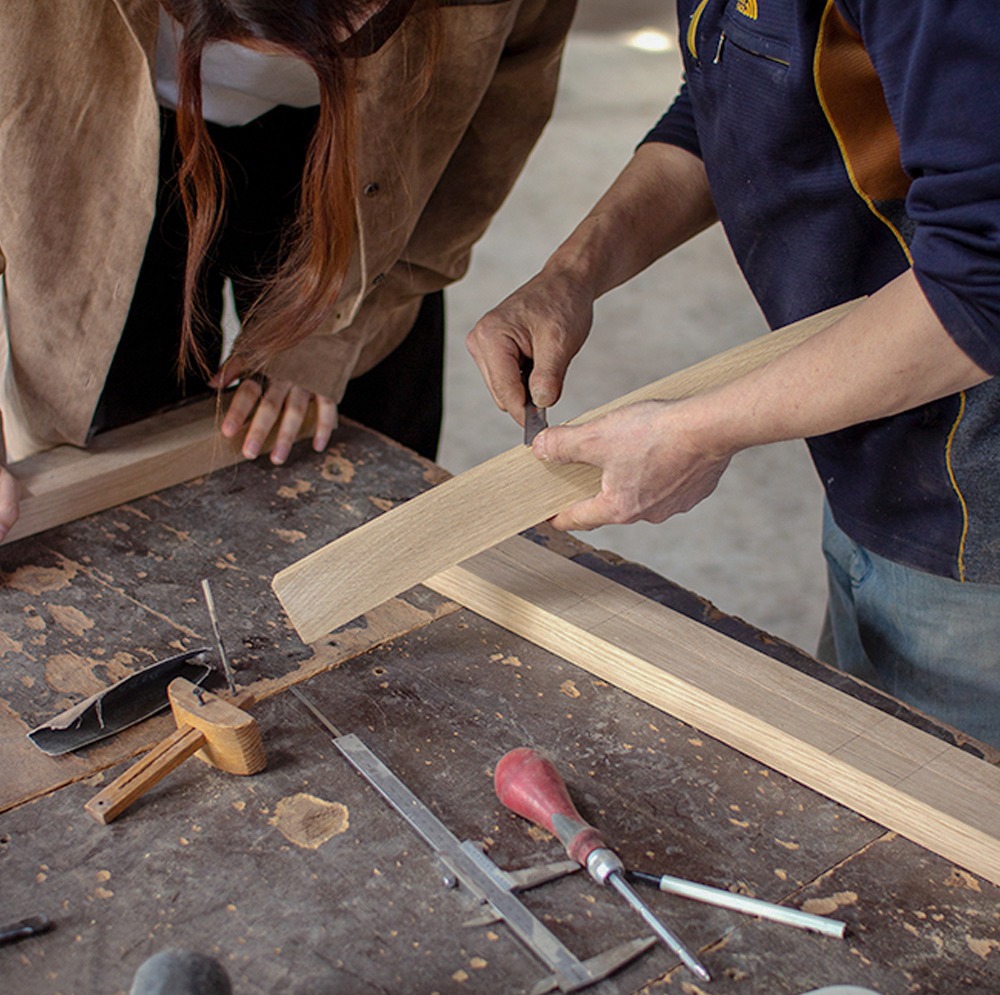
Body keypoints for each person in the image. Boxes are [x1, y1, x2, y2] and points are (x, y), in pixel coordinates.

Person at [466, 0, 1000, 747]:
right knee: (866, 736)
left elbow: (983, 279)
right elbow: (733, 102)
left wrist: (696, 431)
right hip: (875, 428)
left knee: (945, 817)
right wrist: (572, 275)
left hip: (977, 478)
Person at [0, 0, 576, 534]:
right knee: (112, 472)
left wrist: (339, 331)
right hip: (92, 130)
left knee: (366, 465)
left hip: (373, 145)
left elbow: (503, 105)